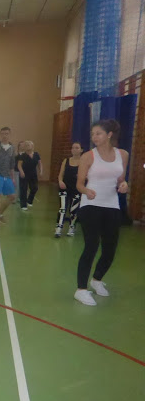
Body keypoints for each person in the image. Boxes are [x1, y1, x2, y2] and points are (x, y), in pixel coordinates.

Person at [74, 120, 129, 306]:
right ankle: (81, 290)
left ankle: (97, 280)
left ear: (109, 134)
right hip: (90, 204)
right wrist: (86, 190)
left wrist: (124, 185)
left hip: (112, 205)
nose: (94, 137)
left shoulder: (123, 155)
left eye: (98, 133)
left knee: (110, 248)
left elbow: (120, 179)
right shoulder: (88, 156)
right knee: (91, 245)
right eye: (93, 134)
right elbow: (79, 184)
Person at [55, 142, 83, 238]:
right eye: (73, 148)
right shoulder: (66, 160)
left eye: (77, 148)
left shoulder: (83, 162)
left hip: (76, 189)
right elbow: (61, 174)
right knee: (62, 208)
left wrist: (82, 177)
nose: (74, 149)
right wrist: (60, 181)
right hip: (64, 187)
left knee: (73, 210)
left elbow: (87, 175)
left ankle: (72, 227)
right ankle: (58, 228)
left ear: (81, 150)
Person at [17, 141, 42, 210]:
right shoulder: (22, 155)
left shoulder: (36, 154)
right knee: (23, 189)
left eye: (29, 145)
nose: (27, 146)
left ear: (32, 146)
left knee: (35, 188)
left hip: (33, 174)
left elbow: (39, 163)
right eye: (26, 145)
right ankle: (23, 205)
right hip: (24, 174)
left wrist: (41, 171)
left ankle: (30, 200)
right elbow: (19, 165)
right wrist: (21, 172)